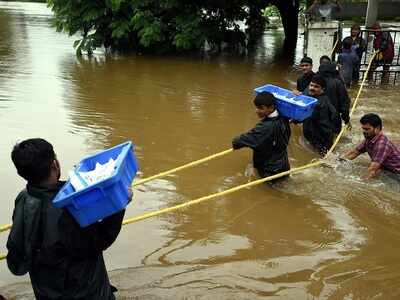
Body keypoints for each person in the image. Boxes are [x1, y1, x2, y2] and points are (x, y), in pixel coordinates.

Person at [6, 138, 131, 300]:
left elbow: (16, 260)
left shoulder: (23, 198)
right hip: (86, 292)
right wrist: (120, 204)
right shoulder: (71, 206)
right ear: (54, 165)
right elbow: (100, 240)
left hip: (46, 292)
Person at [232, 92, 291, 180]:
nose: (257, 111)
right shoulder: (284, 117)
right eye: (256, 107)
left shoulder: (265, 127)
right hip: (284, 166)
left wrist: (235, 142)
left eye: (261, 108)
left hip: (270, 172)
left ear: (271, 108)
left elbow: (241, 141)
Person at [345, 113, 400, 180]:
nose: (364, 131)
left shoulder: (381, 144)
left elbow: (372, 171)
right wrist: (336, 161)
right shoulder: (369, 138)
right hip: (387, 169)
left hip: (397, 174)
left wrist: (357, 182)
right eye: (363, 128)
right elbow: (353, 153)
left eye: (367, 129)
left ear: (377, 128)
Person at [302, 75, 340, 154]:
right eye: (311, 85)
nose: (312, 88)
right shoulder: (313, 99)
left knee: (326, 159)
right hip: (315, 137)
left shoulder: (319, 103)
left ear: (322, 89)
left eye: (316, 87)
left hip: (321, 139)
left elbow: (336, 116)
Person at [318, 62, 350, 131]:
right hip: (334, 119)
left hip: (317, 120)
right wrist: (346, 120)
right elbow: (344, 105)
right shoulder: (338, 83)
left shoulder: (314, 82)